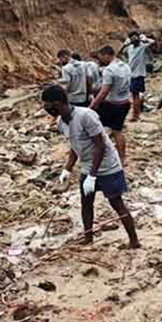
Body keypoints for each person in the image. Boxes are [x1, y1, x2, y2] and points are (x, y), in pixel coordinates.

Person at [42, 84, 140, 249]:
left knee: (117, 203)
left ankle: (134, 241)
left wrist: (93, 177)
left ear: (57, 103)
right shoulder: (61, 122)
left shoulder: (86, 116)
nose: (46, 109)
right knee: (86, 204)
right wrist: (67, 169)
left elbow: (100, 146)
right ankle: (88, 238)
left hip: (108, 166)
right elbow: (74, 146)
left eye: (47, 105)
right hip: (88, 166)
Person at [89, 46, 131, 166]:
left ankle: (99, 155)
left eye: (101, 57)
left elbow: (104, 92)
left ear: (107, 55)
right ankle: (122, 158)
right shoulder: (125, 66)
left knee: (95, 127)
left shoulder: (109, 70)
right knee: (118, 131)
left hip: (112, 105)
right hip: (125, 103)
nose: (100, 60)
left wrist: (92, 106)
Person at [119, 31, 155, 121]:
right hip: (130, 74)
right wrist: (124, 45)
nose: (133, 40)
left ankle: (136, 115)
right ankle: (137, 113)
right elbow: (119, 54)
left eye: (135, 38)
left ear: (138, 38)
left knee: (135, 95)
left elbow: (153, 42)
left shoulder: (142, 46)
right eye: (131, 38)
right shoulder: (129, 48)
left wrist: (144, 39)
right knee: (135, 95)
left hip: (138, 74)